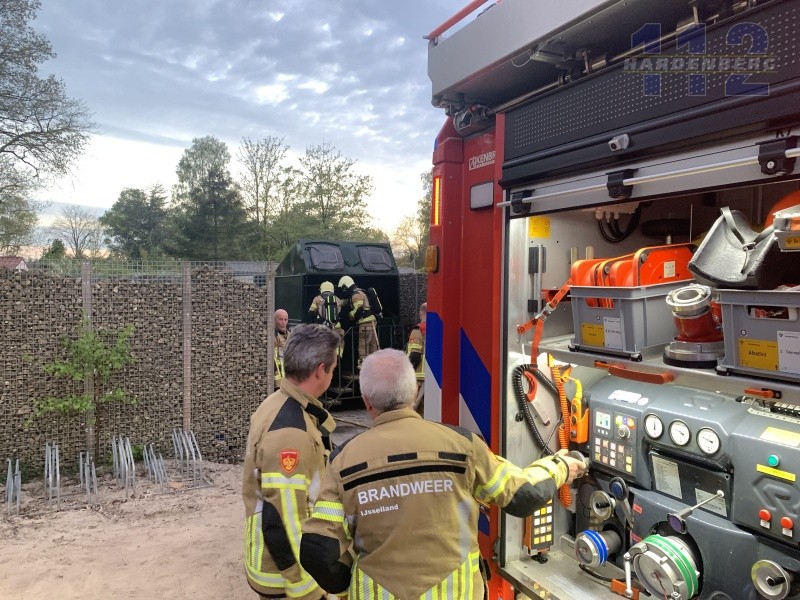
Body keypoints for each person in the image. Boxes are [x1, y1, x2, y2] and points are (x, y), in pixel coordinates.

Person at [299, 349, 586, 599]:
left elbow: (318, 550)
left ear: (366, 401)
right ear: (414, 392)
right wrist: (560, 466)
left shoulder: (343, 461)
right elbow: (523, 494)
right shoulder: (462, 445)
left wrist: (349, 585)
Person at [243, 324, 341, 600]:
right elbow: (286, 519)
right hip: (285, 578)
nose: (332, 375)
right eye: (333, 369)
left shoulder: (276, 403)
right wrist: (310, 590)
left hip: (274, 566)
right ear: (320, 370)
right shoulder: (291, 433)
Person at [337, 276, 378, 370]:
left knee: (363, 344)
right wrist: (340, 302)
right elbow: (349, 301)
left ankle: (363, 366)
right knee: (372, 344)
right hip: (372, 322)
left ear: (345, 285)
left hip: (365, 323)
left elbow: (358, 309)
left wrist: (350, 315)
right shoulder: (361, 291)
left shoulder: (355, 295)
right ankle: (374, 365)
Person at [405, 301, 426, 415]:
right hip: (433, 378)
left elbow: (415, 355)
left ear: (421, 313)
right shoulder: (438, 329)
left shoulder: (418, 330)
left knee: (411, 409)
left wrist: (407, 372)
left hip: (418, 376)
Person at [273, 309, 290, 390]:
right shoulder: (273, 337)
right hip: (277, 382)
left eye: (285, 320)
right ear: (274, 320)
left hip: (289, 380)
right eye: (280, 319)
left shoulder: (290, 335)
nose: (283, 323)